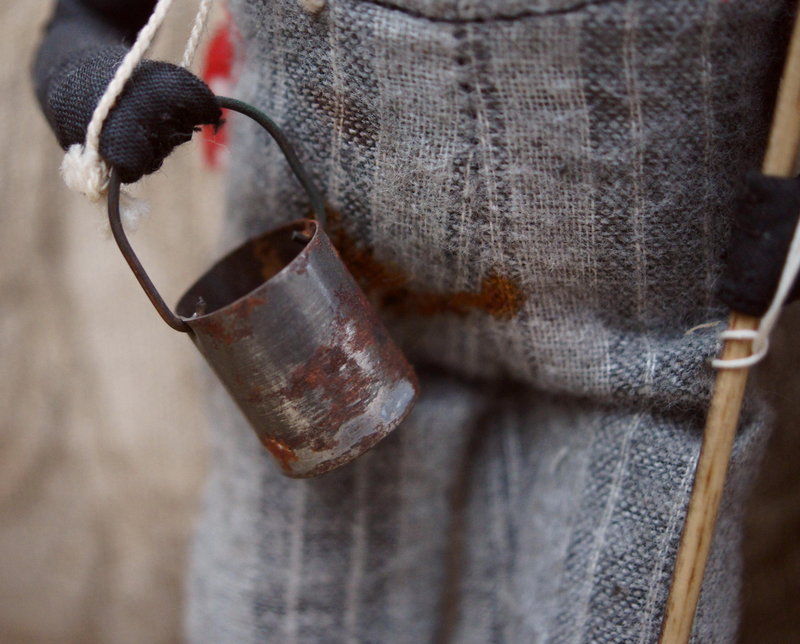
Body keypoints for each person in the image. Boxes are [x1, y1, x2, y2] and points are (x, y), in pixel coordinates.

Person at [34, 0, 797, 641]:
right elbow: (89, 15)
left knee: (617, 594)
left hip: (632, 378)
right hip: (314, 358)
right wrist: (84, 80)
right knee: (280, 606)